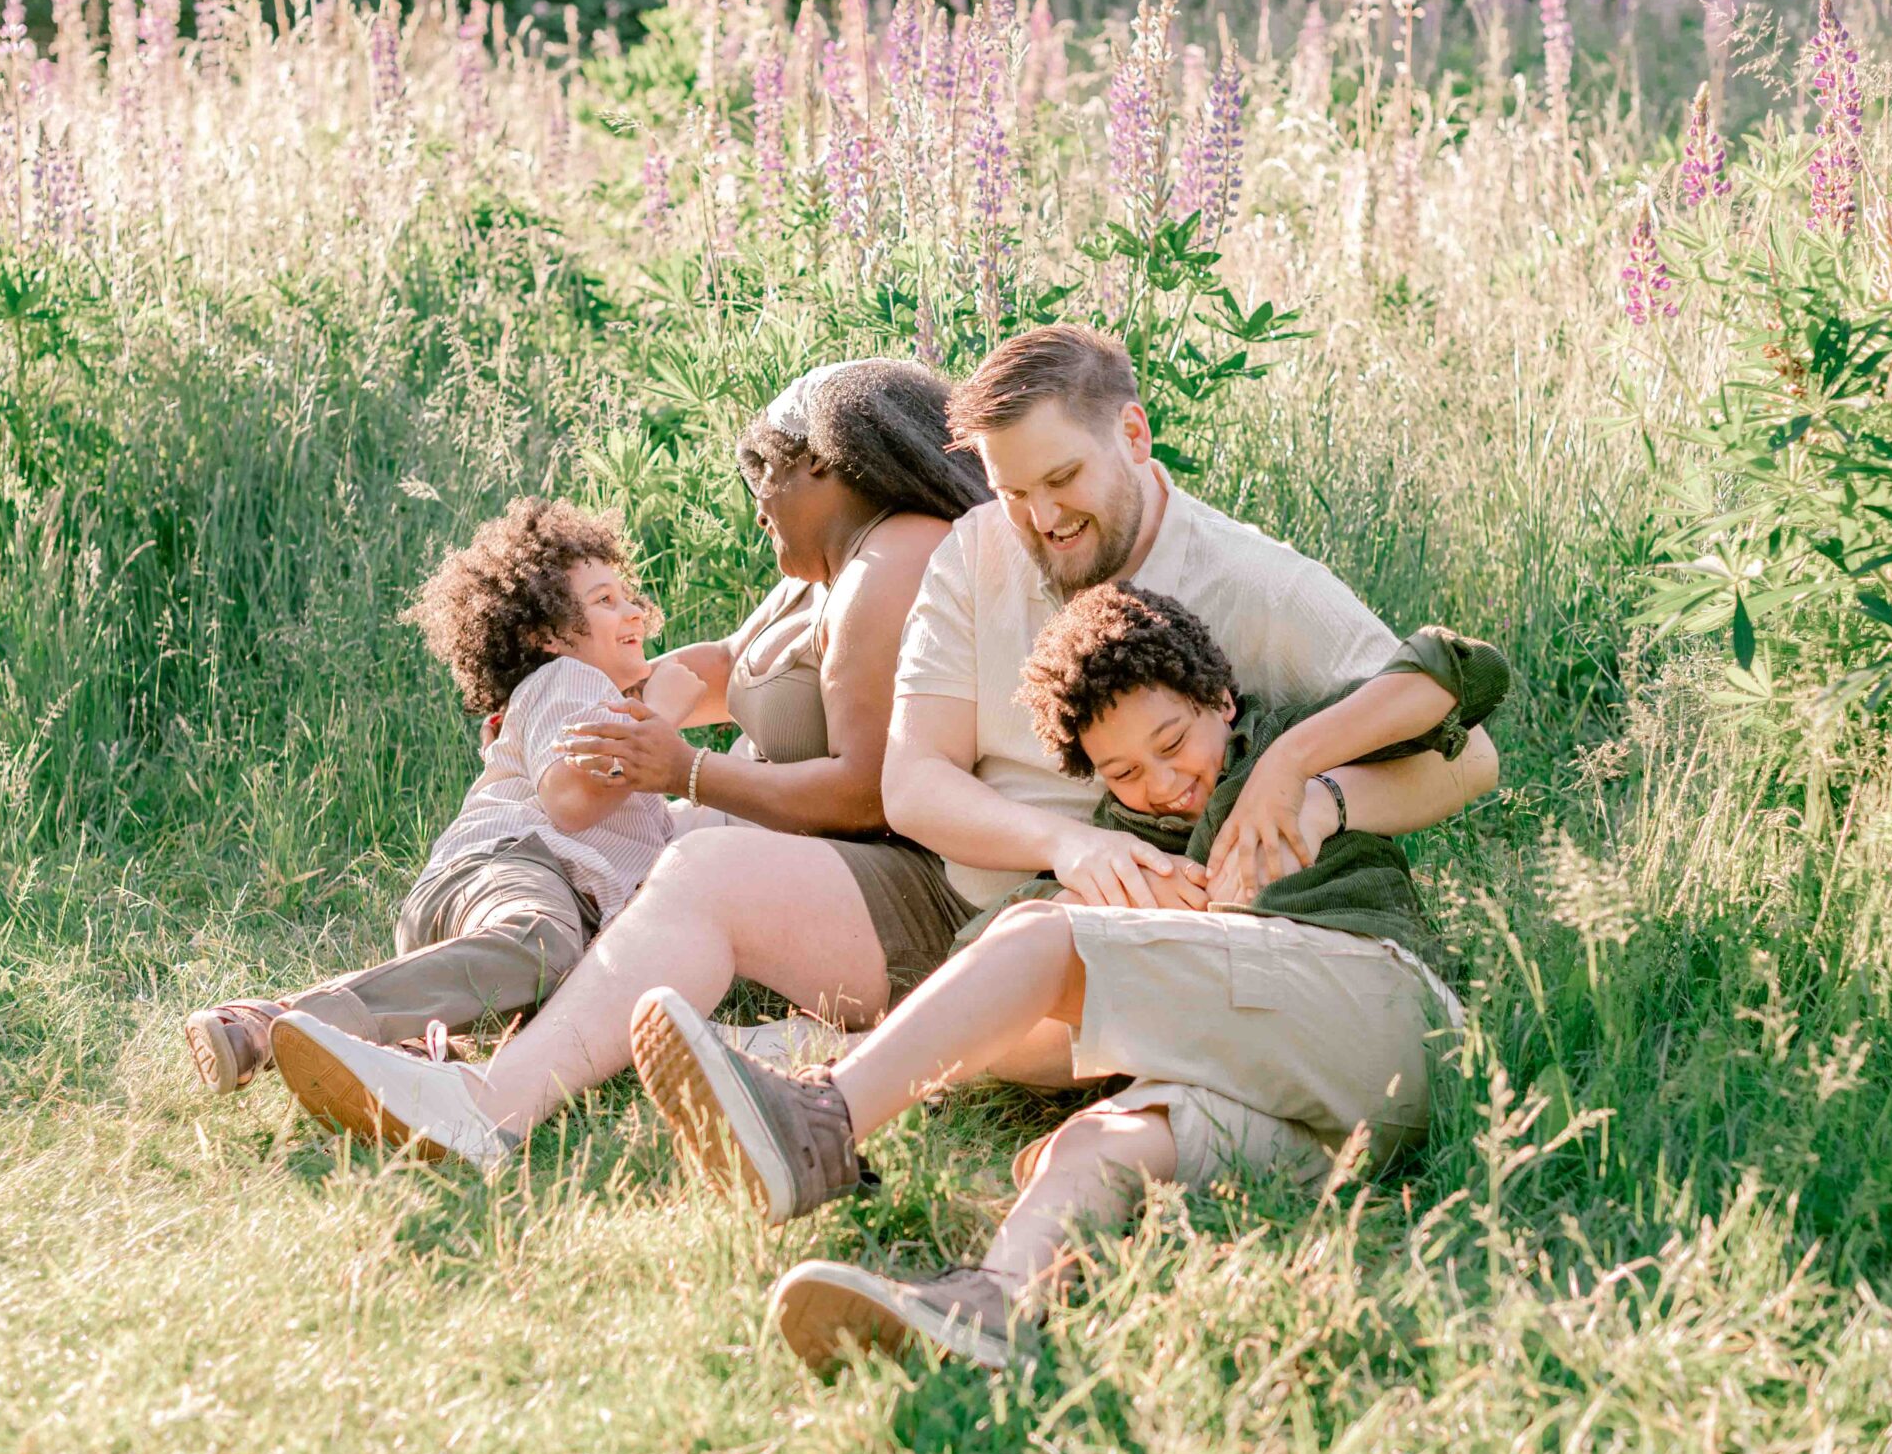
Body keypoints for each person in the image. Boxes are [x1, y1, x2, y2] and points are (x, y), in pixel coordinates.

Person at [280, 321, 1497, 1168]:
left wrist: (1299, 778)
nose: (1041, 518)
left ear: (1132, 434)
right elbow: (910, 780)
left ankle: (798, 1070)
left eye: (1064, 478)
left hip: (1120, 931)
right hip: (953, 891)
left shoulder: (1251, 580)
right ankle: (491, 1105)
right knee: (700, 870)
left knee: (1023, 954)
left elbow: (1454, 749)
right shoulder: (979, 552)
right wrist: (1052, 846)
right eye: (1014, 491)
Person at [629, 583, 1512, 1371]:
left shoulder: (1277, 747)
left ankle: (823, 1121)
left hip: (1386, 1016)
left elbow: (1458, 674)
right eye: (1125, 773)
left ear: (1221, 701)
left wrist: (1292, 768)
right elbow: (990, 975)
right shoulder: (1128, 852)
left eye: (1175, 742)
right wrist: (1137, 913)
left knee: (1047, 942)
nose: (1167, 785)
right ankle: (997, 1300)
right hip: (1331, 1130)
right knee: (1098, 1141)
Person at [267, 359, 989, 1158]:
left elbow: (867, 794)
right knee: (650, 853)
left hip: (926, 907)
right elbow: (719, 666)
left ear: (820, 460)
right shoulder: (822, 574)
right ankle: (441, 1029)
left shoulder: (894, 560)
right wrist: (595, 717)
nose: (756, 503)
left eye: (764, 470)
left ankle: (484, 1106)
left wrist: (682, 769)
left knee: (700, 859)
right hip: (842, 890)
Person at [182, 497, 694, 1112]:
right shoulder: (569, 680)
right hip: (516, 871)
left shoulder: (584, 699)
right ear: (548, 636)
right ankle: (282, 1020)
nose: (633, 610)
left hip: (492, 913)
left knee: (563, 987)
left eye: (629, 597)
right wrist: (661, 719)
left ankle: (406, 1047)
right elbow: (570, 802)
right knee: (543, 946)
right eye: (604, 600)